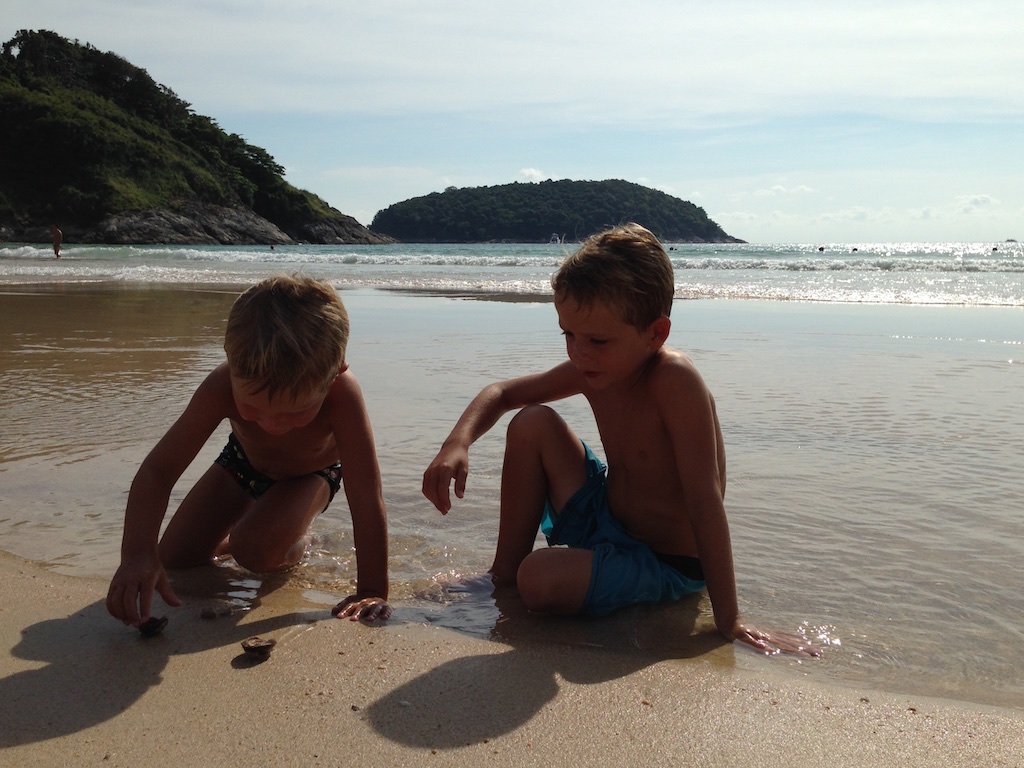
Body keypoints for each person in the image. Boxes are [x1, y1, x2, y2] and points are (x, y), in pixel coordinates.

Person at [423, 224, 816, 656]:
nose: (578, 353)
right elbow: (502, 394)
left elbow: (706, 500)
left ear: (655, 334)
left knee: (538, 578)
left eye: (597, 340)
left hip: (665, 562)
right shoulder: (597, 367)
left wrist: (730, 620)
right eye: (568, 335)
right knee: (532, 422)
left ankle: (526, 576)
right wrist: (456, 443)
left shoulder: (674, 381)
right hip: (606, 518)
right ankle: (502, 574)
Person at [107, 275, 391, 627]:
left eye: (296, 413)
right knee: (176, 558)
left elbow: (366, 495)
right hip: (241, 463)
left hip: (311, 475)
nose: (272, 424)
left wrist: (372, 588)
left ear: (336, 370)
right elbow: (158, 471)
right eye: (253, 408)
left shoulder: (342, 396)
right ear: (230, 361)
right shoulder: (221, 385)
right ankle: (256, 526)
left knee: (253, 550)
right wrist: (137, 554)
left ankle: (299, 540)